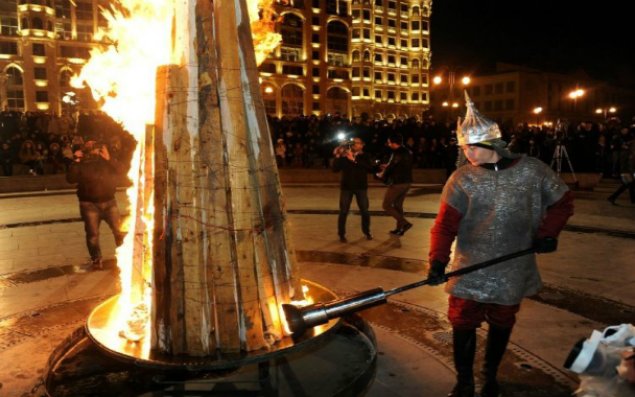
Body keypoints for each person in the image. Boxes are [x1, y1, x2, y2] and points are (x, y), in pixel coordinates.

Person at [426, 93, 574, 397]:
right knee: (462, 322)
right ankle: (464, 380)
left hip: (513, 264)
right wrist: (438, 260)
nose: (466, 152)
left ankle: (489, 375)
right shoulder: (461, 179)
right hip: (471, 265)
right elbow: (444, 225)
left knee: (503, 320)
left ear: (491, 144)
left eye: (470, 146)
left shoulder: (533, 171)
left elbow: (562, 202)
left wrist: (548, 234)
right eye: (463, 147)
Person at [66, 140, 126, 269]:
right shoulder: (81, 162)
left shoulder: (107, 161)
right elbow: (70, 178)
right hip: (89, 205)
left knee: (119, 232)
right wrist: (76, 159)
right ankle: (96, 260)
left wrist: (109, 159)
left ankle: (125, 255)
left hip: (109, 202)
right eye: (91, 147)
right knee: (93, 235)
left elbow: (122, 170)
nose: (95, 149)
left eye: (97, 146)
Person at [333, 136, 373, 242]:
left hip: (361, 187)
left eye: (357, 143)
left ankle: (367, 231)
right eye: (352, 143)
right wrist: (338, 155)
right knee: (343, 211)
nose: (354, 145)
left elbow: (370, 169)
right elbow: (335, 169)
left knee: (365, 211)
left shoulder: (365, 156)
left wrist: (354, 160)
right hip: (346, 187)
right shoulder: (345, 155)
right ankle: (341, 234)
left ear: (362, 145)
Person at [377, 133, 413, 236]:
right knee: (397, 205)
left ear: (393, 143)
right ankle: (399, 229)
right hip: (407, 182)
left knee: (386, 205)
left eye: (389, 142)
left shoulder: (397, 153)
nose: (388, 144)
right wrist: (387, 166)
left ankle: (405, 223)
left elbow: (392, 166)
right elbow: (399, 165)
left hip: (398, 183)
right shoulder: (408, 151)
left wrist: (382, 173)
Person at [607, 130, 635, 205]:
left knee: (629, 184)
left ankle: (613, 197)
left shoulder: (630, 144)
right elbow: (630, 158)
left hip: (628, 168)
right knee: (629, 184)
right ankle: (613, 197)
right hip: (628, 169)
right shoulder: (631, 145)